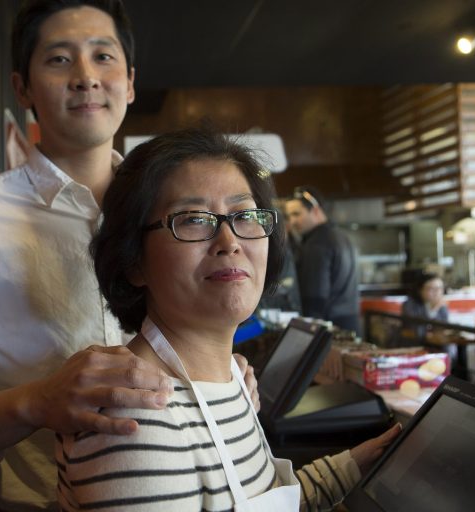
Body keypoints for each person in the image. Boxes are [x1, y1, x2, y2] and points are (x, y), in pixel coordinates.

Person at [0, 2, 258, 510]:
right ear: (22, 88)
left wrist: (221, 370)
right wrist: (38, 401)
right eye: (60, 60)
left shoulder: (175, 210)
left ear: (130, 83)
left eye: (103, 56)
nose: (86, 77)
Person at [57, 127, 401, 511]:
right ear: (134, 260)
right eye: (192, 219)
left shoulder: (235, 380)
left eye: (245, 215)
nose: (230, 241)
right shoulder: (136, 418)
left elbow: (264, 497)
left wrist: (358, 465)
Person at [284, 186, 360, 333]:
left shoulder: (317, 244)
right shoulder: (342, 236)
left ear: (316, 210)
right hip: (351, 324)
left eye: (296, 214)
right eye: (289, 216)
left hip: (330, 330)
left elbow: (315, 299)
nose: (292, 221)